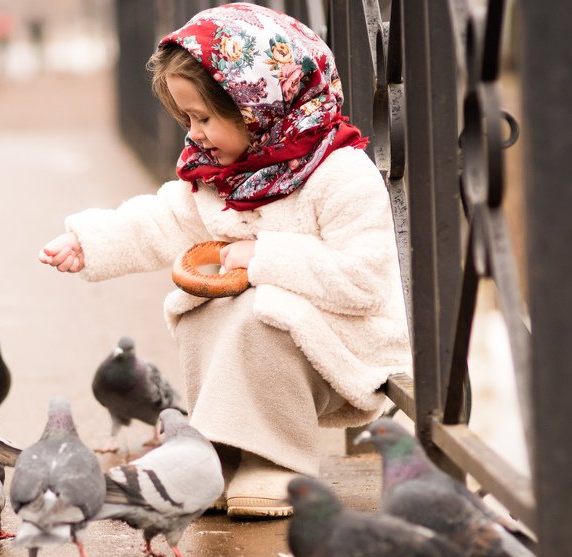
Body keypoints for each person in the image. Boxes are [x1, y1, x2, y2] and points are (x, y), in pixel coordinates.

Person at [38, 3, 410, 519]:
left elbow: (365, 280)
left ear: (259, 105)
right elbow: (163, 220)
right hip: (274, 336)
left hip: (342, 342)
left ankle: (277, 460)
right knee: (203, 308)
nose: (194, 134)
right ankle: (219, 453)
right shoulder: (225, 176)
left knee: (262, 316)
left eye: (205, 118)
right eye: (187, 118)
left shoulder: (340, 174)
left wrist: (263, 257)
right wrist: (92, 240)